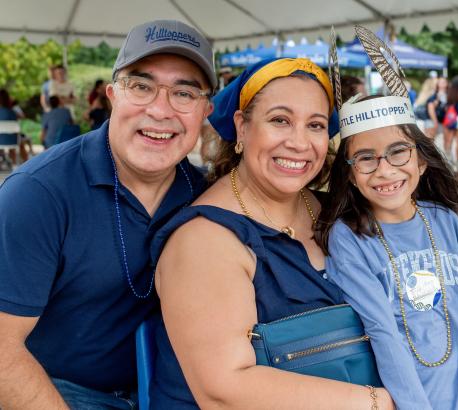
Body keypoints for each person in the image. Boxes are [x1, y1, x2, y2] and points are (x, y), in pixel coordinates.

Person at [149, 58, 395, 409]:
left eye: (315, 125)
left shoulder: (338, 213)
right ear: (242, 126)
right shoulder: (203, 242)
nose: (299, 142)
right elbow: (225, 390)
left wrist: (457, 331)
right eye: (280, 120)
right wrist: (382, 402)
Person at [0, 19, 215, 409]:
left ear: (206, 111)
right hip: (60, 391)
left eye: (184, 93)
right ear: (113, 95)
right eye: (142, 86)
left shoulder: (206, 194)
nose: (160, 109)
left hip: (173, 388)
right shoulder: (37, 193)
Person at [317, 91, 458, 408]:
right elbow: (384, 333)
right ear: (351, 175)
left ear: (421, 161)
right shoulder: (349, 237)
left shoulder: (445, 220)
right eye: (366, 158)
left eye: (398, 152)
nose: (385, 170)